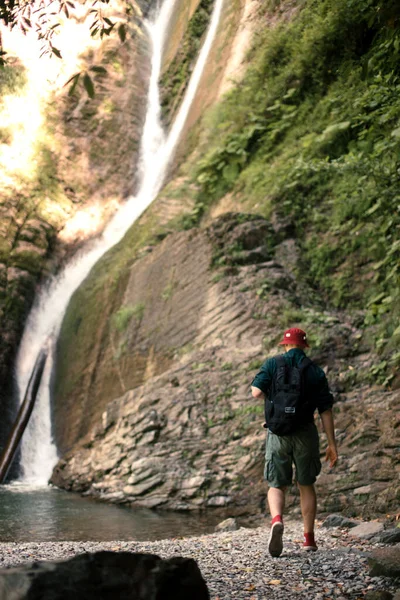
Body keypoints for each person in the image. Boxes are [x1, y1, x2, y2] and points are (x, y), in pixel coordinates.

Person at [251, 327, 338, 557]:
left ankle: (277, 520)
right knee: (305, 484)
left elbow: (256, 392)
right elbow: (325, 410)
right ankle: (309, 539)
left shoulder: (272, 364)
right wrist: (332, 444)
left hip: (278, 433)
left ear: (285, 344)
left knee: (276, 484)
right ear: (304, 346)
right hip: (305, 433)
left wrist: (275, 403)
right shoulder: (315, 371)